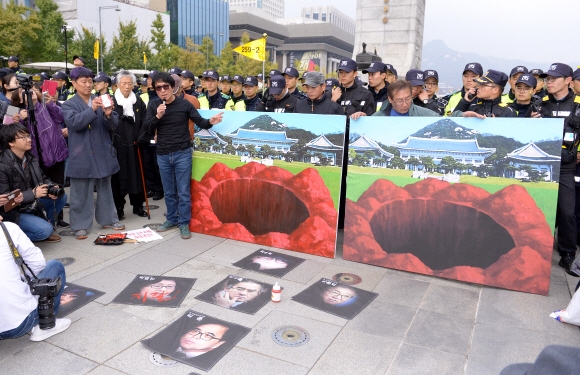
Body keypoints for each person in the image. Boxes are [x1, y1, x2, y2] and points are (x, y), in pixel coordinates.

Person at [143, 72, 223, 239]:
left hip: (182, 153)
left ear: (173, 88)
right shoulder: (153, 105)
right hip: (163, 153)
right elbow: (148, 129)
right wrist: (158, 116)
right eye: (158, 88)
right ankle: (171, 219)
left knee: (183, 191)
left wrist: (211, 122)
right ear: (155, 90)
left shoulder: (185, 105)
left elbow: (200, 122)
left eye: (166, 87)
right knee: (169, 190)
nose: (163, 91)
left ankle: (184, 222)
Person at [62, 67, 125, 240]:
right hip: (80, 153)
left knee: (105, 188)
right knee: (80, 191)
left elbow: (113, 126)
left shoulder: (100, 100)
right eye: (84, 82)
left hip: (101, 150)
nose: (89, 85)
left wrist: (108, 114)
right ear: (74, 84)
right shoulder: (68, 104)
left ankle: (109, 219)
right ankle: (80, 225)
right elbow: (75, 123)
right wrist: (92, 110)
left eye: (91, 81)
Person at [536, 63, 579, 274]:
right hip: (540, 165)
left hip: (566, 167)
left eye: (554, 78)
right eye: (547, 79)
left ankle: (568, 254)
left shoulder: (578, 104)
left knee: (567, 211)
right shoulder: (539, 104)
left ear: (568, 80)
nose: (549, 82)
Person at [0, 220, 70, 341]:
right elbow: (37, 263)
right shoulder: (7, 228)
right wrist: (24, 279)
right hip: (19, 324)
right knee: (55, 266)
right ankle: (46, 326)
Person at [11, 86, 69, 228]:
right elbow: (8, 132)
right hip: (37, 158)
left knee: (58, 187)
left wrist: (51, 104)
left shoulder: (46, 104)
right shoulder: (12, 109)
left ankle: (58, 218)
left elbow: (61, 117)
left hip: (57, 154)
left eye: (31, 90)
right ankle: (44, 220)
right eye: (24, 93)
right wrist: (19, 119)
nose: (30, 93)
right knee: (42, 189)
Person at [0, 124, 66, 242]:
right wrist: (33, 194)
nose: (29, 139)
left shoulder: (30, 158)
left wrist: (52, 187)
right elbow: (6, 200)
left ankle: (45, 226)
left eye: (28, 136)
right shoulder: (2, 164)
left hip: (30, 205)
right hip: (13, 212)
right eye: (23, 138)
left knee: (61, 196)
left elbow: (43, 178)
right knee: (43, 231)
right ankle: (11, 239)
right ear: (11, 143)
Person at [111, 71, 147, 220]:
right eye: (124, 83)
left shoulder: (138, 101)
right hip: (117, 146)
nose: (127, 86)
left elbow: (145, 122)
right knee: (118, 177)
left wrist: (139, 138)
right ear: (117, 85)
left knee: (137, 175)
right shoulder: (111, 101)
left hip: (134, 144)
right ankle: (119, 207)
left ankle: (138, 205)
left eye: (129, 83)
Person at [451, 69, 516, 118]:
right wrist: (465, 101)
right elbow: (452, 123)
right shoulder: (472, 107)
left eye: (483, 85)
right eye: (479, 84)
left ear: (495, 90)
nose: (478, 87)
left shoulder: (507, 112)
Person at [373, 80, 440, 117]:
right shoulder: (378, 117)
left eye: (408, 99)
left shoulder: (424, 114)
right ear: (390, 99)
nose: (405, 104)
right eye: (399, 101)